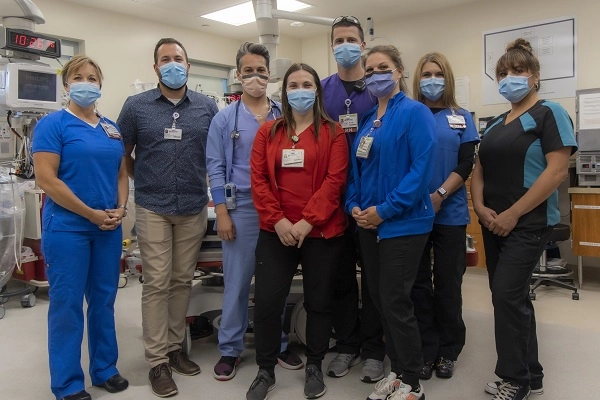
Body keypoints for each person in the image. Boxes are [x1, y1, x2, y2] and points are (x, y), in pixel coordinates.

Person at [472, 38, 576, 400]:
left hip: (528, 224)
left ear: (535, 76)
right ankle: (533, 375)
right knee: (510, 298)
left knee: (506, 294)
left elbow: (557, 171)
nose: (509, 78)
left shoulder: (550, 113)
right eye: (503, 73)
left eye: (518, 71)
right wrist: (481, 208)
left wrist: (513, 214)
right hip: (493, 222)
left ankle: (514, 380)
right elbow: (480, 168)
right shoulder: (498, 122)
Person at [117, 38, 218, 397]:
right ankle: (157, 360)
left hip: (192, 206)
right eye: (165, 59)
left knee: (180, 281)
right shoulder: (136, 107)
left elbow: (215, 154)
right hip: (153, 206)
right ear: (155, 67)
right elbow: (122, 153)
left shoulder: (207, 106)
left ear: (188, 66)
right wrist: (140, 179)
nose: (172, 64)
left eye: (178, 58)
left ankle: (176, 349)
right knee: (157, 283)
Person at [245, 63, 348, 400]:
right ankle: (265, 369)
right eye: (293, 84)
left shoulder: (333, 132)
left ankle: (314, 365)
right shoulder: (268, 132)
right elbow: (258, 180)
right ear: (284, 91)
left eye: (307, 84)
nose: (300, 89)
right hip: (276, 231)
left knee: (319, 302)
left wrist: (307, 221)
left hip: (320, 230)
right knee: (267, 302)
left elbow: (335, 182)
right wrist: (279, 221)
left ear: (316, 90)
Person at [32, 55, 129, 400]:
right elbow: (46, 179)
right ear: (67, 84)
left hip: (108, 226)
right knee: (68, 303)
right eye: (78, 76)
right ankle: (68, 383)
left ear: (100, 84)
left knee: (103, 300)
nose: (86, 82)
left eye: (92, 77)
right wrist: (90, 213)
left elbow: (120, 172)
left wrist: (121, 208)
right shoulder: (53, 125)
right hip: (68, 226)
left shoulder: (111, 127)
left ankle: (104, 369)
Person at [206, 42, 303, 381]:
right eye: (248, 71)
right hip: (242, 208)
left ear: (270, 75)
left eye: (261, 71)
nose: (255, 77)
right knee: (237, 282)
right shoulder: (224, 119)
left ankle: (275, 345)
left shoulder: (284, 115)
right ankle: (229, 349)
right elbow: (215, 168)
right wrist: (222, 212)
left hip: (279, 207)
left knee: (273, 284)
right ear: (238, 75)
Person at [345, 45, 436, 400]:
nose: (376, 74)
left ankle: (412, 381)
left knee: (397, 300)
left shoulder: (416, 114)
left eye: (383, 67)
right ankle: (397, 373)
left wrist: (385, 209)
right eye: (370, 70)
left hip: (404, 222)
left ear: (399, 71)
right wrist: (354, 205)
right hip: (368, 223)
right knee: (380, 301)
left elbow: (420, 171)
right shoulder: (368, 120)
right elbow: (357, 170)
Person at [321, 15, 385, 383]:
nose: (344, 45)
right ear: (332, 47)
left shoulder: (377, 87)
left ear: (362, 44)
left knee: (374, 279)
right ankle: (346, 345)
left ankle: (375, 348)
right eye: (337, 40)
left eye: (350, 39)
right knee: (341, 277)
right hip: (333, 199)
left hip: (372, 201)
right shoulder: (323, 90)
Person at [410, 52, 480, 380]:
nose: (432, 79)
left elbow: (466, 163)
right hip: (412, 212)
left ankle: (448, 350)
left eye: (438, 73)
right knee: (419, 283)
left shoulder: (462, 117)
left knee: (449, 284)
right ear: (417, 79)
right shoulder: (409, 113)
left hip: (449, 212)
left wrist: (439, 196)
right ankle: (426, 348)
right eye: (426, 74)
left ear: (447, 78)